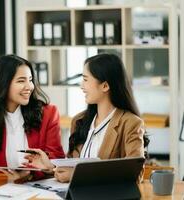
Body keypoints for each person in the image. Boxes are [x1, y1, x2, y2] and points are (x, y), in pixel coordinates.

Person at [26, 53, 149, 182]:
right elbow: (70, 169)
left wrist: (78, 175)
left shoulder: (131, 123)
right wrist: (50, 166)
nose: (81, 86)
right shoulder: (79, 121)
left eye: (85, 79)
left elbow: (134, 175)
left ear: (105, 86)